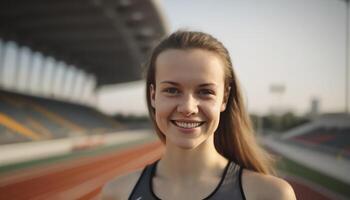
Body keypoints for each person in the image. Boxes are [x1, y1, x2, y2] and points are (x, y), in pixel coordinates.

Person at [101, 30, 296, 200]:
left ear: (224, 99)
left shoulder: (270, 195)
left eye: (205, 92)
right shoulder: (117, 193)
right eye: (172, 90)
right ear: (153, 96)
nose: (188, 108)